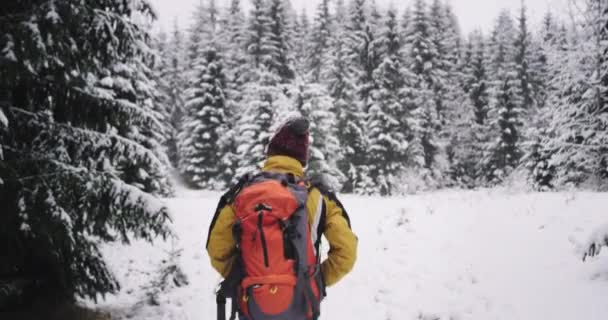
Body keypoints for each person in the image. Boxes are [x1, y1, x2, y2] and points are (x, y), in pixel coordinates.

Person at [206, 117, 358, 320]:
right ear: (302, 159)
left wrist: (245, 277)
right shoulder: (316, 196)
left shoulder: (242, 193)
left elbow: (216, 248)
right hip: (301, 305)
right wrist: (316, 281)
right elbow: (346, 252)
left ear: (270, 153)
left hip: (252, 305)